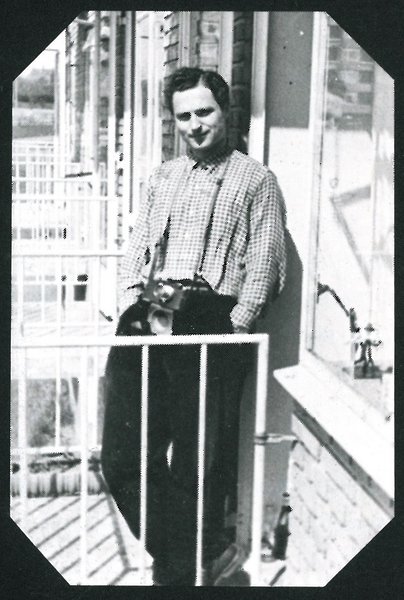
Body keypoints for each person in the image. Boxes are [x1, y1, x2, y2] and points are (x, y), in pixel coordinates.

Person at [101, 67, 287, 586]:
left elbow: (264, 265)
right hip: (155, 308)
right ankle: (198, 552)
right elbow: (137, 253)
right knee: (121, 456)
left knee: (196, 463)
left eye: (204, 112)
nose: (194, 125)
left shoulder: (256, 180)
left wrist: (233, 328)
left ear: (226, 111)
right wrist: (134, 305)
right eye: (183, 116)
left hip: (212, 318)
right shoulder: (163, 177)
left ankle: (179, 570)